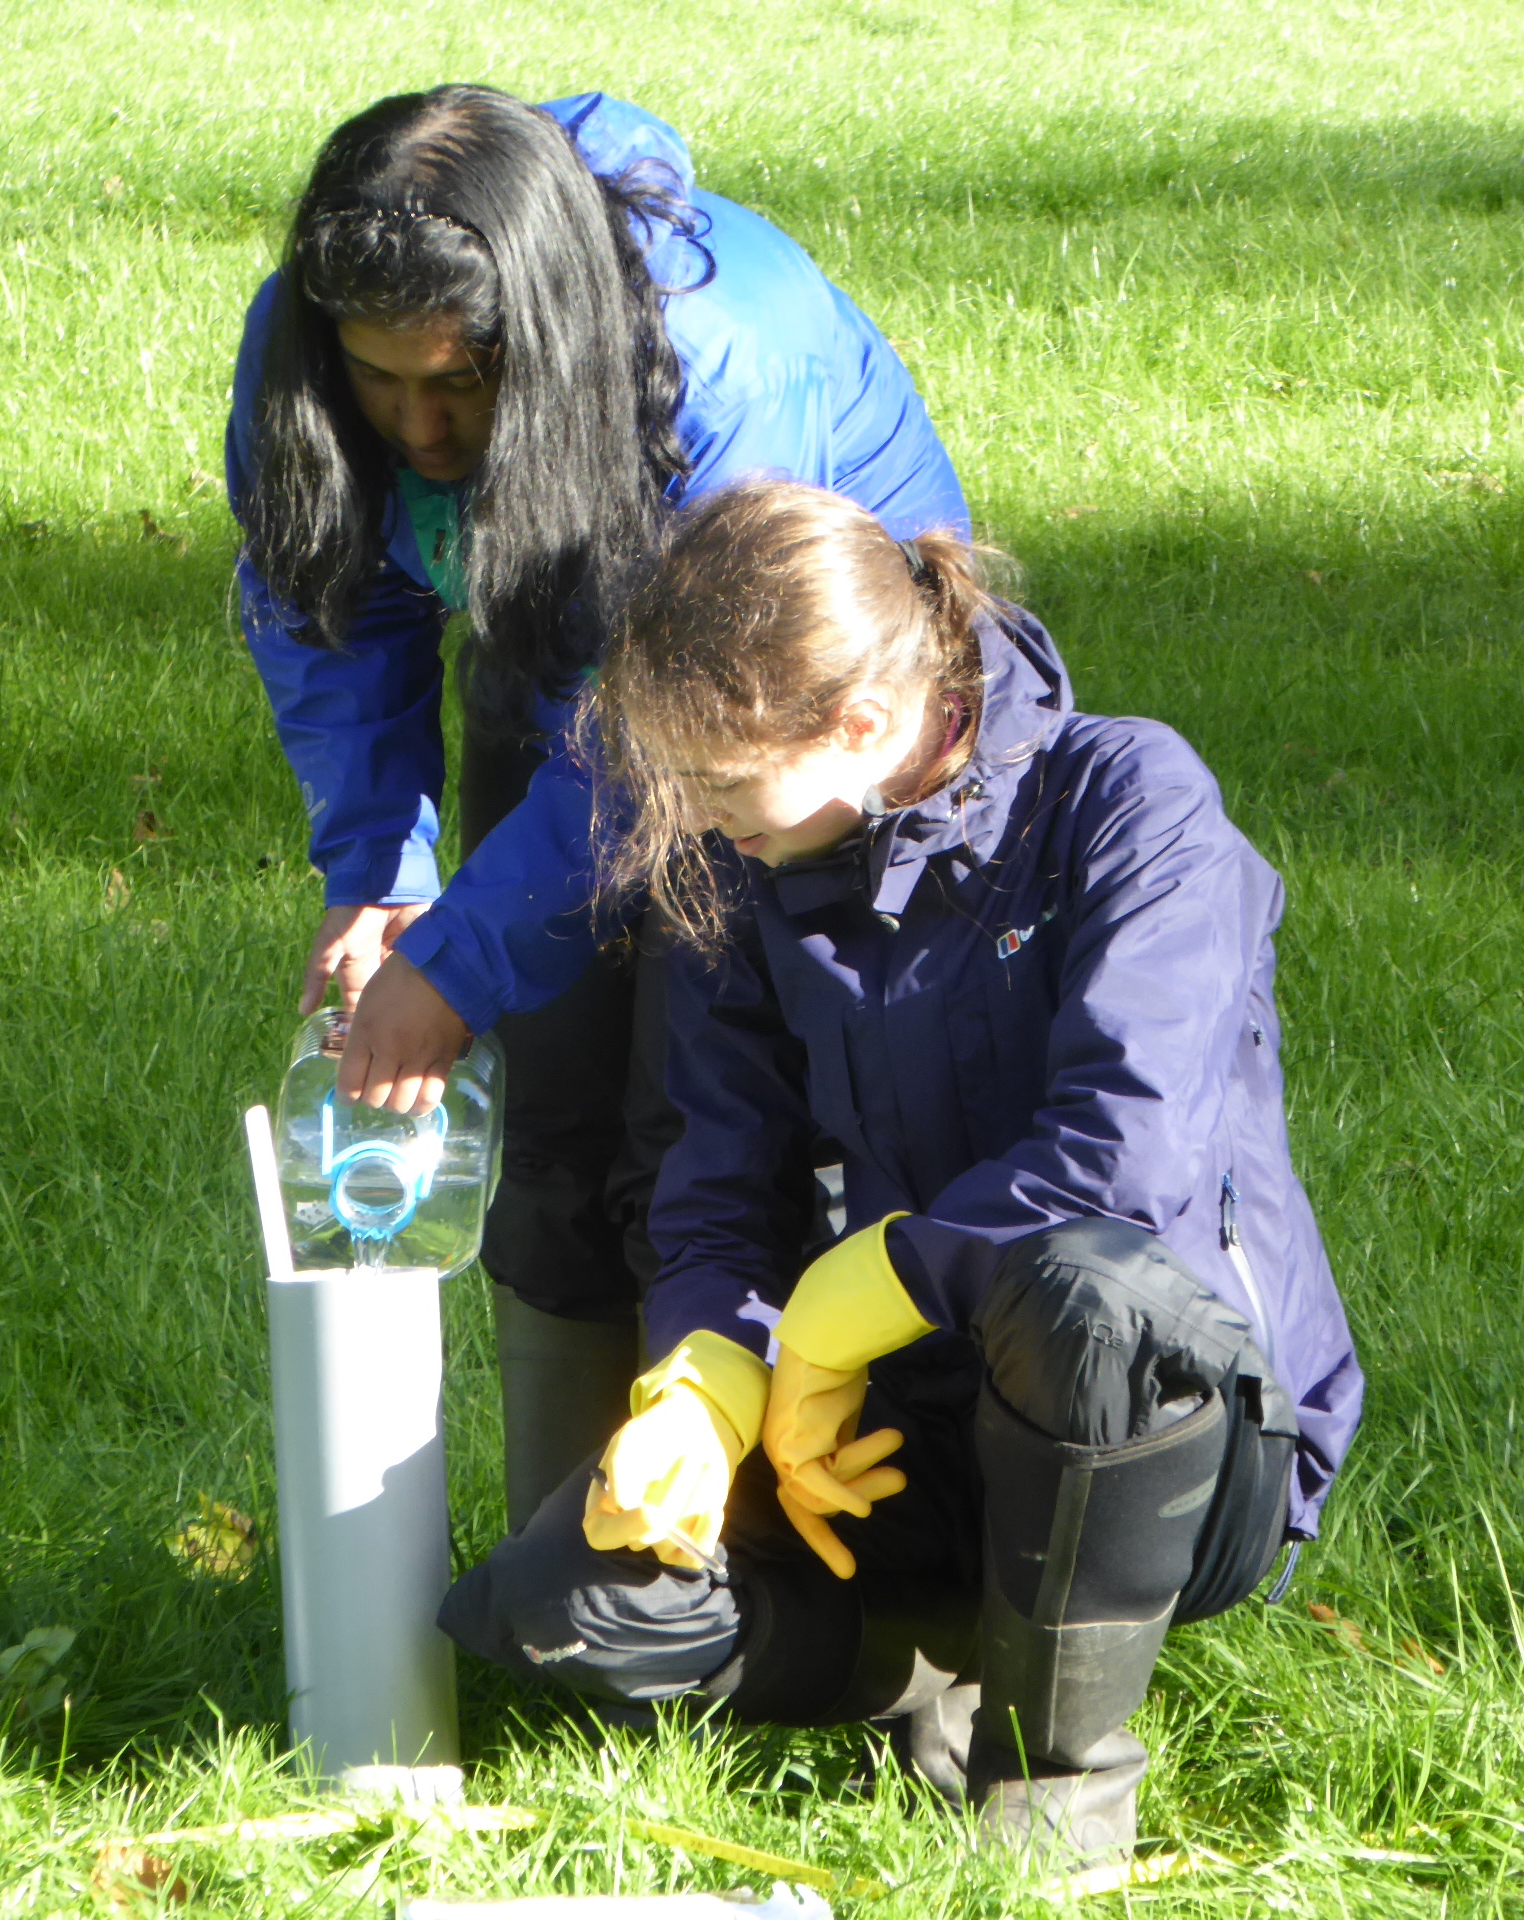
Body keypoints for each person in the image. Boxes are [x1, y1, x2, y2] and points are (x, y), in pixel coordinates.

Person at [438, 482, 1363, 1862]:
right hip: (903, 1431)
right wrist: (707, 1383)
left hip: (1167, 1425)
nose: (699, 817)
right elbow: (713, 1181)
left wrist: (851, 1300)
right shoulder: (741, 869)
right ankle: (931, 1669)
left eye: (722, 783)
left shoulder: (1131, 797)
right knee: (564, 1599)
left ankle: (1051, 1803)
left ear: (864, 723)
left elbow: (1121, 1165)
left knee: (1085, 1294)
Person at [225, 87, 967, 1531]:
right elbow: (334, 604)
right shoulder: (307, 340)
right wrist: (383, 874)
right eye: (381, 381)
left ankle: (774, 1554)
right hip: (563, 636)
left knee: (713, 1112)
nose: (420, 425)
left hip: (788, 712)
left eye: (460, 382)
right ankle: (572, 1549)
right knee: (548, 1113)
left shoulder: (720, 360)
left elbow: (671, 733)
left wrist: (456, 965)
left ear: (546, 332)